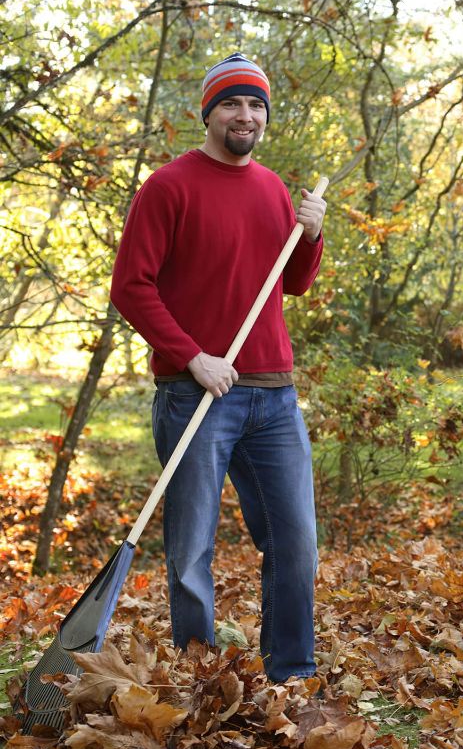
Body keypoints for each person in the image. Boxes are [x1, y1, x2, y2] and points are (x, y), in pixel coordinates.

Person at [110, 53, 326, 682]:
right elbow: (132, 287)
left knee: (295, 546)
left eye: (256, 104)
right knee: (190, 554)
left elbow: (292, 286)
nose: (246, 115)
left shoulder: (272, 190)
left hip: (274, 396)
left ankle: (291, 674)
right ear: (209, 113)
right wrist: (191, 356)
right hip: (194, 394)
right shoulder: (168, 186)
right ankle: (199, 677)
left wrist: (311, 237)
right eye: (232, 103)